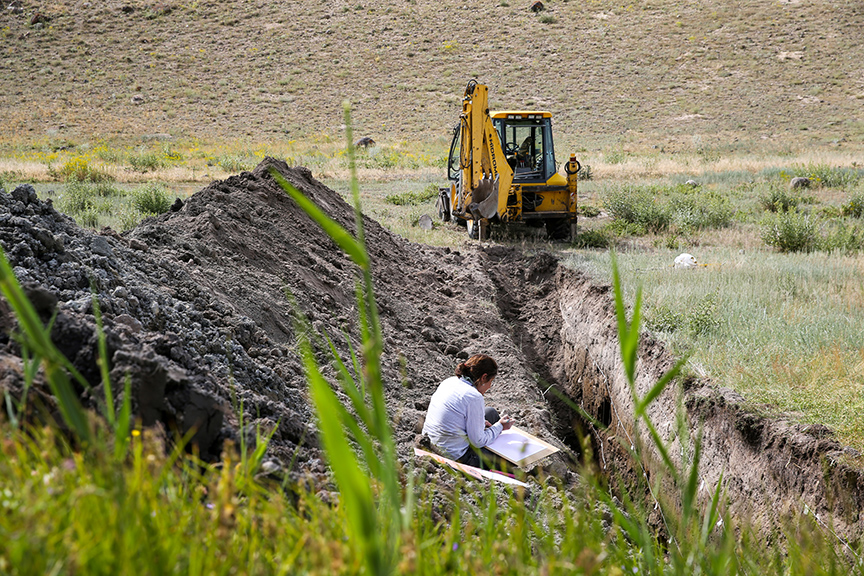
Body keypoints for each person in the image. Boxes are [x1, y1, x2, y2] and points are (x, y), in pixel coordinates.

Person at [422, 354, 513, 469]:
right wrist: (500, 426)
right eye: (491, 381)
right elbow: (478, 441)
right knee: (506, 456)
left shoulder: (449, 381)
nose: (490, 386)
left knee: (490, 412)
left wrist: (480, 423)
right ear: (484, 377)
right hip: (455, 457)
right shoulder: (473, 396)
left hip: (433, 443)